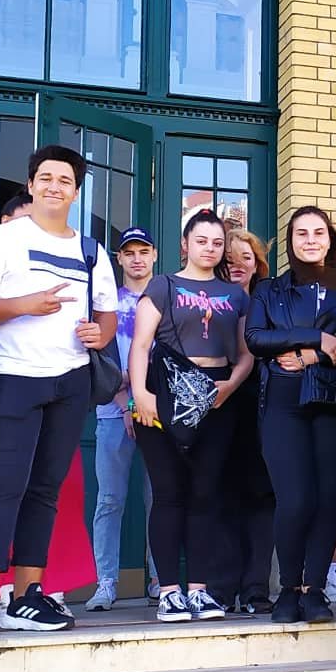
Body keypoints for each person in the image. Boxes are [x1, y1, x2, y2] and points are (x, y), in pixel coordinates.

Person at [0, 144, 118, 639]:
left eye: (65, 181)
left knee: (45, 490)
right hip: (11, 377)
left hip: (70, 381)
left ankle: (27, 597)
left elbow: (106, 313)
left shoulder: (92, 251)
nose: (55, 187)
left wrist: (99, 333)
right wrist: (24, 304)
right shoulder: (4, 238)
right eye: (47, 178)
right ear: (32, 185)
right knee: (1, 487)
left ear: (76, 192)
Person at [128, 211, 255, 622]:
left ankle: (199, 590)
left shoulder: (235, 294)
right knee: (168, 493)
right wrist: (140, 395)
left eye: (217, 243)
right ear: (185, 244)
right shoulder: (163, 285)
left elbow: (246, 352)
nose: (210, 249)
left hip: (216, 395)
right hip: (165, 392)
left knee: (205, 494)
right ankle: (169, 591)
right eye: (202, 241)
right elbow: (141, 344)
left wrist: (231, 385)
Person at [245, 206, 336, 624]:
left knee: (325, 498)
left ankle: (314, 591)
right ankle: (288, 589)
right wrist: (317, 337)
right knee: (293, 500)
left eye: (318, 233)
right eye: (301, 233)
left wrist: (314, 355)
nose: (310, 240)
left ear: (329, 240)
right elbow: (255, 338)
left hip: (333, 401)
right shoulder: (269, 290)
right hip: (283, 402)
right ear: (291, 241)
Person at [87, 226, 162, 612]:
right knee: (109, 500)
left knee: (159, 499)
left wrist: (142, 401)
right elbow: (99, 358)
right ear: (119, 259)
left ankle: (160, 580)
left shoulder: (163, 299)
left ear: (154, 255)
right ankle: (106, 582)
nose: (136, 259)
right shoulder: (108, 304)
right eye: (129, 252)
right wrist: (124, 402)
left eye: (143, 251)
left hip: (156, 412)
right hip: (112, 412)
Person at [212, 227, 276, 615]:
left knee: (261, 496)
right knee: (220, 495)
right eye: (230, 258)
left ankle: (255, 589)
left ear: (258, 265)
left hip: (262, 408)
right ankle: (221, 588)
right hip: (218, 405)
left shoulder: (269, 303)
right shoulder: (210, 301)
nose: (237, 264)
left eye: (246, 258)